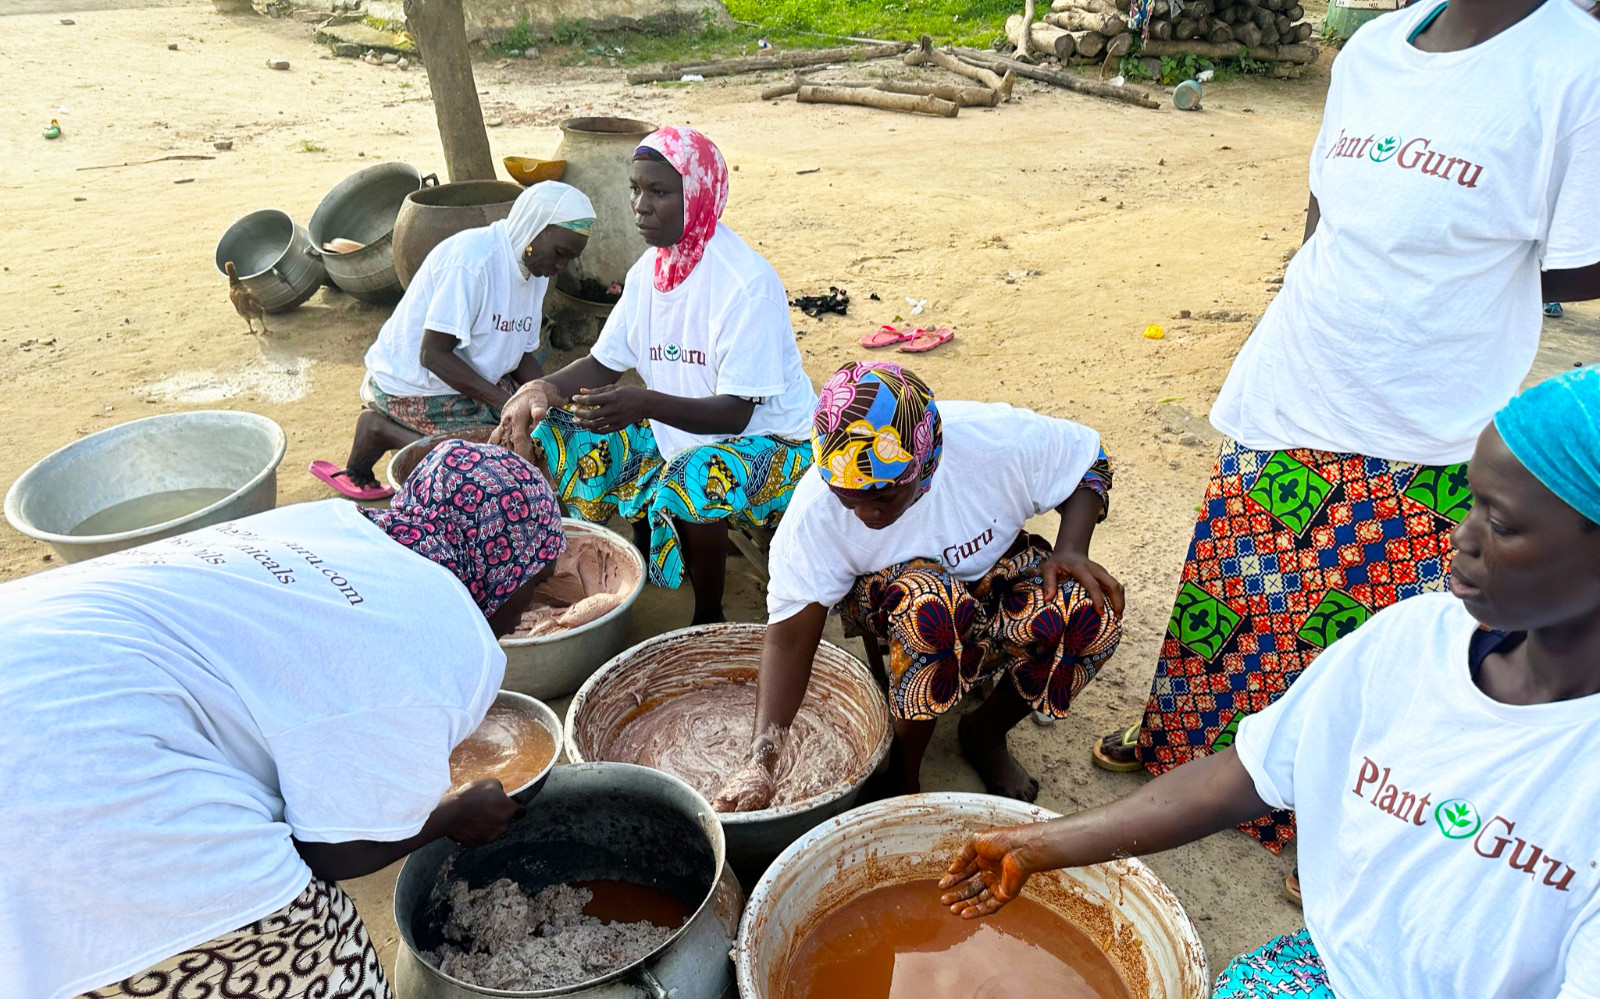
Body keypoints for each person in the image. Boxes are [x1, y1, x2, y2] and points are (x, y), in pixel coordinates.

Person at [942, 368, 1600, 999]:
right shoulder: (1409, 643)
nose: (1460, 538)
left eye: (1500, 523)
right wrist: (1040, 846)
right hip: (1331, 987)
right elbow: (1244, 775)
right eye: (1470, 503)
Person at [1092, 0, 1600, 862]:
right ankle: (1181, 747)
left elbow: (1577, 264)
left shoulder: (1576, 65)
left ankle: (1320, 826)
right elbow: (1324, 207)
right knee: (1231, 596)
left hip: (1422, 416)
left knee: (1360, 638)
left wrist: (1450, 275)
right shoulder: (1372, 47)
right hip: (1298, 374)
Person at [0, 441, 568, 999]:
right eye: (531, 583)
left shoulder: (332, 530)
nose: (529, 608)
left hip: (36, 681)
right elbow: (331, 852)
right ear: (497, 567)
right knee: (298, 974)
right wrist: (452, 818)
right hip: (85, 792)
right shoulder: (445, 629)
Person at [712, 362, 1123, 811]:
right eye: (849, 498)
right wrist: (762, 760)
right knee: (932, 608)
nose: (866, 513)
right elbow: (789, 640)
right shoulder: (815, 513)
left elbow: (1088, 456)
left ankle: (985, 733)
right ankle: (903, 770)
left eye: (883, 497)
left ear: (926, 464)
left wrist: (1072, 549)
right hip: (899, 600)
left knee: (1090, 612)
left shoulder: (993, 443)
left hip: (993, 571)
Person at [491, 126, 815, 625]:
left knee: (695, 475)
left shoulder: (745, 284)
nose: (640, 206)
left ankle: (708, 615)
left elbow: (735, 413)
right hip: (681, 428)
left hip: (775, 443)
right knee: (556, 429)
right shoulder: (648, 272)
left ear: (700, 196)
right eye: (635, 189)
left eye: (659, 192)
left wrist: (643, 404)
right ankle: (610, 562)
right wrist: (539, 389)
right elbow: (602, 363)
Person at [310, 180, 596, 500]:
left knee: (533, 437)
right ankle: (378, 431)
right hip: (418, 382)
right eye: (560, 254)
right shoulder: (472, 262)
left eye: (568, 259)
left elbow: (521, 355)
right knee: (488, 459)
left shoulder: (536, 270)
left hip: (472, 376)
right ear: (535, 228)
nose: (560, 267)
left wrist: (545, 400)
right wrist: (507, 404)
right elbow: (432, 355)